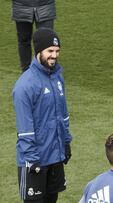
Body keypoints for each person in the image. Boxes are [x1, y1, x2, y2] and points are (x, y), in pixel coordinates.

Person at [12, 28, 72, 203]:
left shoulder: (58, 78)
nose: (54, 55)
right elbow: (25, 130)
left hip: (55, 157)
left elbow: (63, 115)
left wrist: (66, 143)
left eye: (57, 51)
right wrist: (31, 160)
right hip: (34, 160)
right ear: (39, 51)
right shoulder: (25, 86)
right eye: (50, 51)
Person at [12, 0, 56, 71]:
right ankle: (26, 72)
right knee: (24, 40)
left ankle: (46, 71)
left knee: (46, 42)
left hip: (45, 5)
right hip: (21, 6)